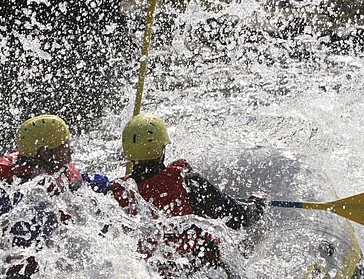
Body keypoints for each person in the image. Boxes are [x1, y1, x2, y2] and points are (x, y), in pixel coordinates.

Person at [107, 112, 266, 269]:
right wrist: (257, 203)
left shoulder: (118, 193)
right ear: (163, 146)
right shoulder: (186, 181)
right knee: (246, 245)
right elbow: (238, 218)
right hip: (206, 277)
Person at [0, 114, 111, 279]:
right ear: (45, 153)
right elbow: (22, 250)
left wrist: (110, 186)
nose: (70, 151)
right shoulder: (19, 195)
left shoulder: (54, 170)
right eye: (64, 147)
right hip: (16, 277)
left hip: (46, 264)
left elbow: (82, 181)